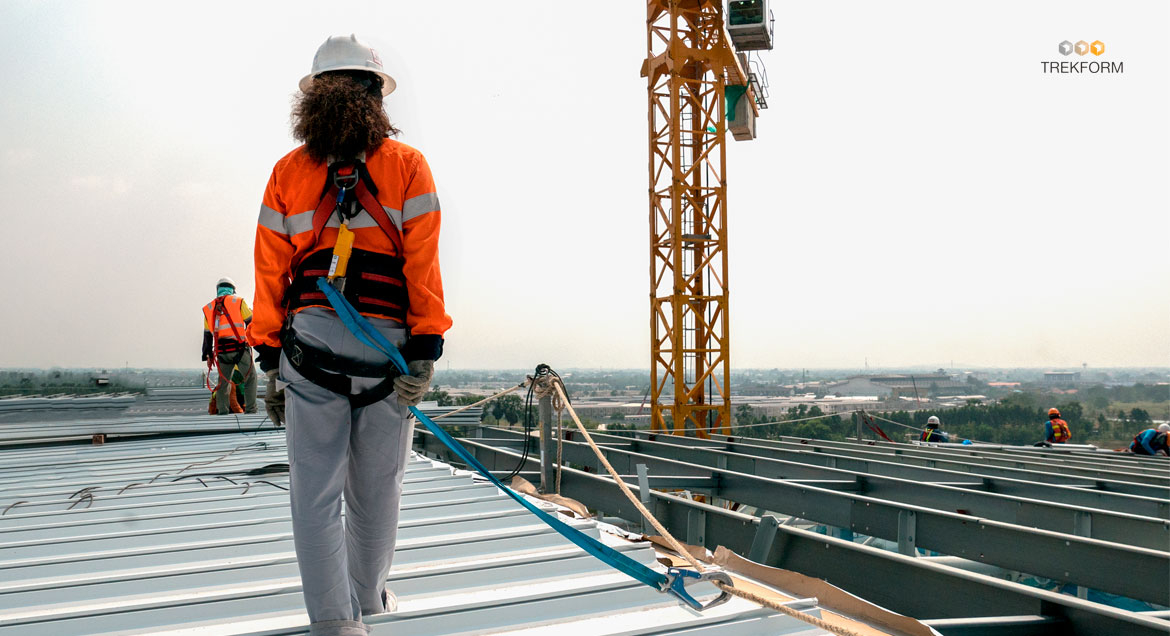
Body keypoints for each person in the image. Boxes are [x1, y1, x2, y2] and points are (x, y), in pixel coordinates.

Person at [247, 34, 451, 636]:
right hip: (385, 345)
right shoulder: (407, 165)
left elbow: (269, 267)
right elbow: (423, 264)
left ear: (315, 99)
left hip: (309, 345)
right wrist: (425, 344)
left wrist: (267, 354)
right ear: (375, 96)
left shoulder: (289, 172)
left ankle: (337, 625)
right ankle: (369, 606)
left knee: (314, 495)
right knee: (378, 491)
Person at [202, 276, 257, 415]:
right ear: (233, 289)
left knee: (223, 383)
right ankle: (251, 410)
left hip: (222, 351)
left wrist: (208, 355)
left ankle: (222, 412)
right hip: (239, 349)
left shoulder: (209, 308)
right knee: (251, 378)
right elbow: (251, 323)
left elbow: (207, 336)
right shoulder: (238, 302)